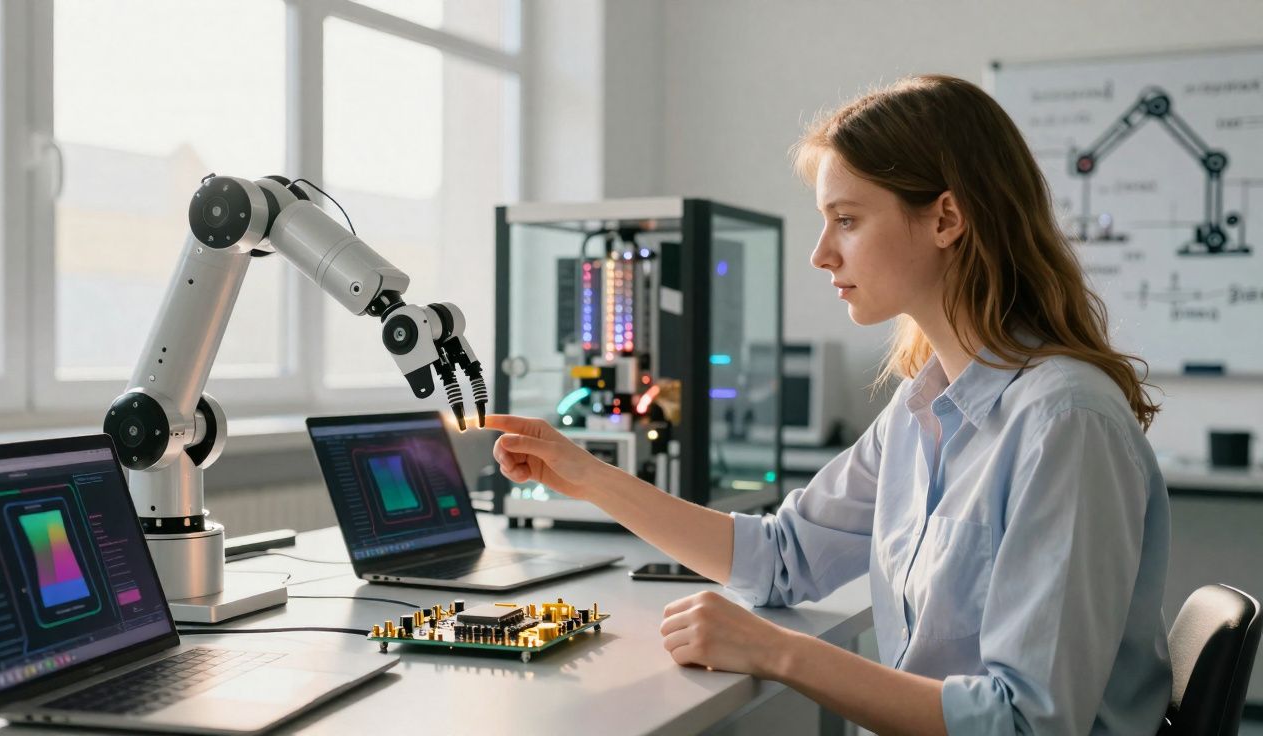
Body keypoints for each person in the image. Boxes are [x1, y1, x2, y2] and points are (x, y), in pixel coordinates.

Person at [486, 74, 1171, 735]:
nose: (820, 254)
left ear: (946, 218)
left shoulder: (1064, 423)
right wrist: (585, 476)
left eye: (846, 220)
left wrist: (780, 653)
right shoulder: (918, 410)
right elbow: (781, 557)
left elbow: (1025, 725)